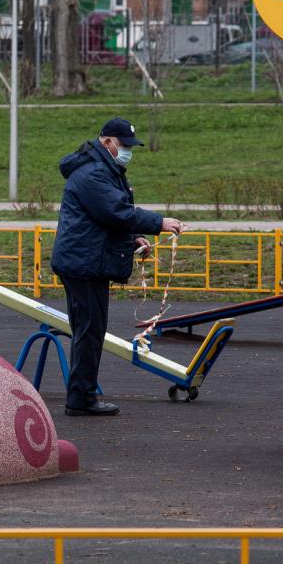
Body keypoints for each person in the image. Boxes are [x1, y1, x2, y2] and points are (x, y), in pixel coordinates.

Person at [50, 117, 183, 416]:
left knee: (90, 330)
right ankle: (81, 400)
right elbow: (116, 211)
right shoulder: (94, 174)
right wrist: (158, 223)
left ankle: (82, 395)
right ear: (108, 142)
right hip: (83, 264)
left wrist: (134, 237)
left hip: (84, 260)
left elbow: (107, 218)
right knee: (89, 331)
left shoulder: (102, 169)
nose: (128, 152)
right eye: (124, 146)